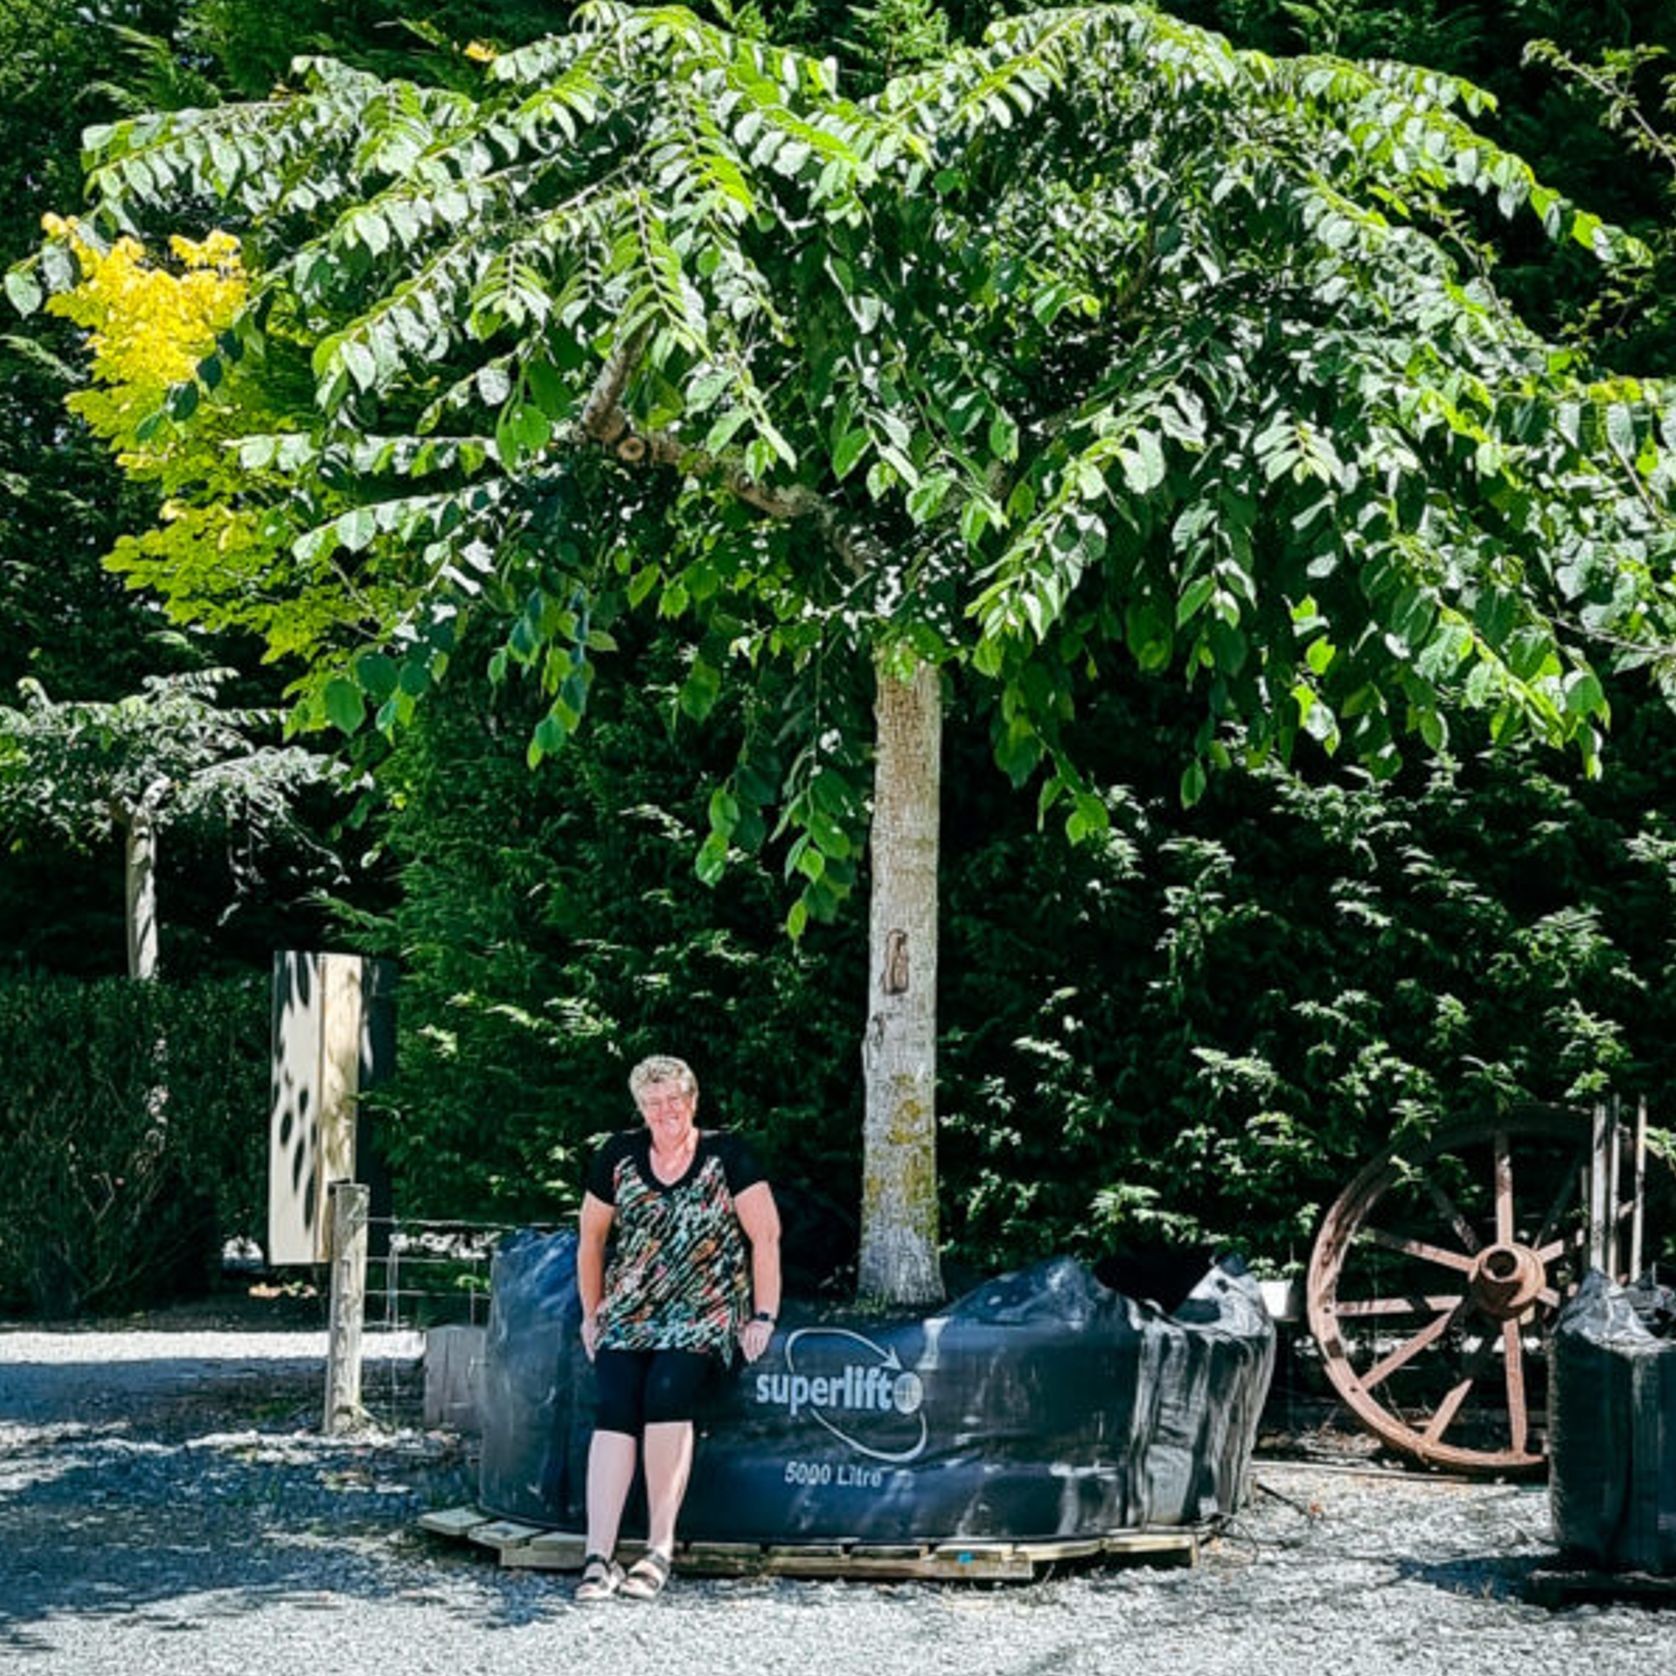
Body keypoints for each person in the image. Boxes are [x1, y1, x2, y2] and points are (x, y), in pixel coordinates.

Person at [573, 1054, 781, 1602]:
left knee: (667, 1390)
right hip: (631, 1308)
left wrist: (764, 1315)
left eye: (673, 1100)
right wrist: (592, 1315)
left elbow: (766, 1238)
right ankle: (598, 1555)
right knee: (615, 1397)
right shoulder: (617, 1156)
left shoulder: (727, 1156)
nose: (664, 1111)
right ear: (641, 1108)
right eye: (652, 1102)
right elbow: (591, 1241)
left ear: (691, 1101)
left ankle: (657, 1550)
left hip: (704, 1309)